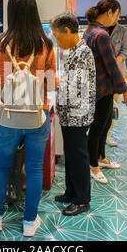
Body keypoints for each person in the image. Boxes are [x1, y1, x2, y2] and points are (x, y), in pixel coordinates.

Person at [0, 0, 57, 237]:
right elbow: (52, 84)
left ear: (10, 13)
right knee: (34, 169)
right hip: (38, 116)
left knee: (2, 166)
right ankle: (28, 222)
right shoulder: (46, 45)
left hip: (8, 116)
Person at [51, 13, 96, 216]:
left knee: (78, 156)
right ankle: (71, 191)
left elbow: (74, 88)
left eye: (57, 36)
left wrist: (55, 86)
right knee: (71, 155)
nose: (56, 41)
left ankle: (81, 199)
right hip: (70, 114)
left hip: (77, 114)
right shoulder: (75, 51)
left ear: (67, 31)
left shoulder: (82, 53)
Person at [83, 0, 127, 185]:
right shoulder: (101, 34)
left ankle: (101, 157)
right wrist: (125, 89)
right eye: (117, 14)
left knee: (104, 124)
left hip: (98, 87)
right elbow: (112, 66)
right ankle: (93, 166)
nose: (117, 18)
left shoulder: (91, 30)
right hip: (102, 88)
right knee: (97, 128)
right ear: (110, 12)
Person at [104, 5, 127, 148]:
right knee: (102, 106)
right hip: (102, 75)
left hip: (116, 74)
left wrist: (115, 61)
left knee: (112, 106)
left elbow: (126, 51)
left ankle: (108, 133)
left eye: (117, 15)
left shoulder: (123, 31)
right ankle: (103, 134)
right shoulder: (100, 29)